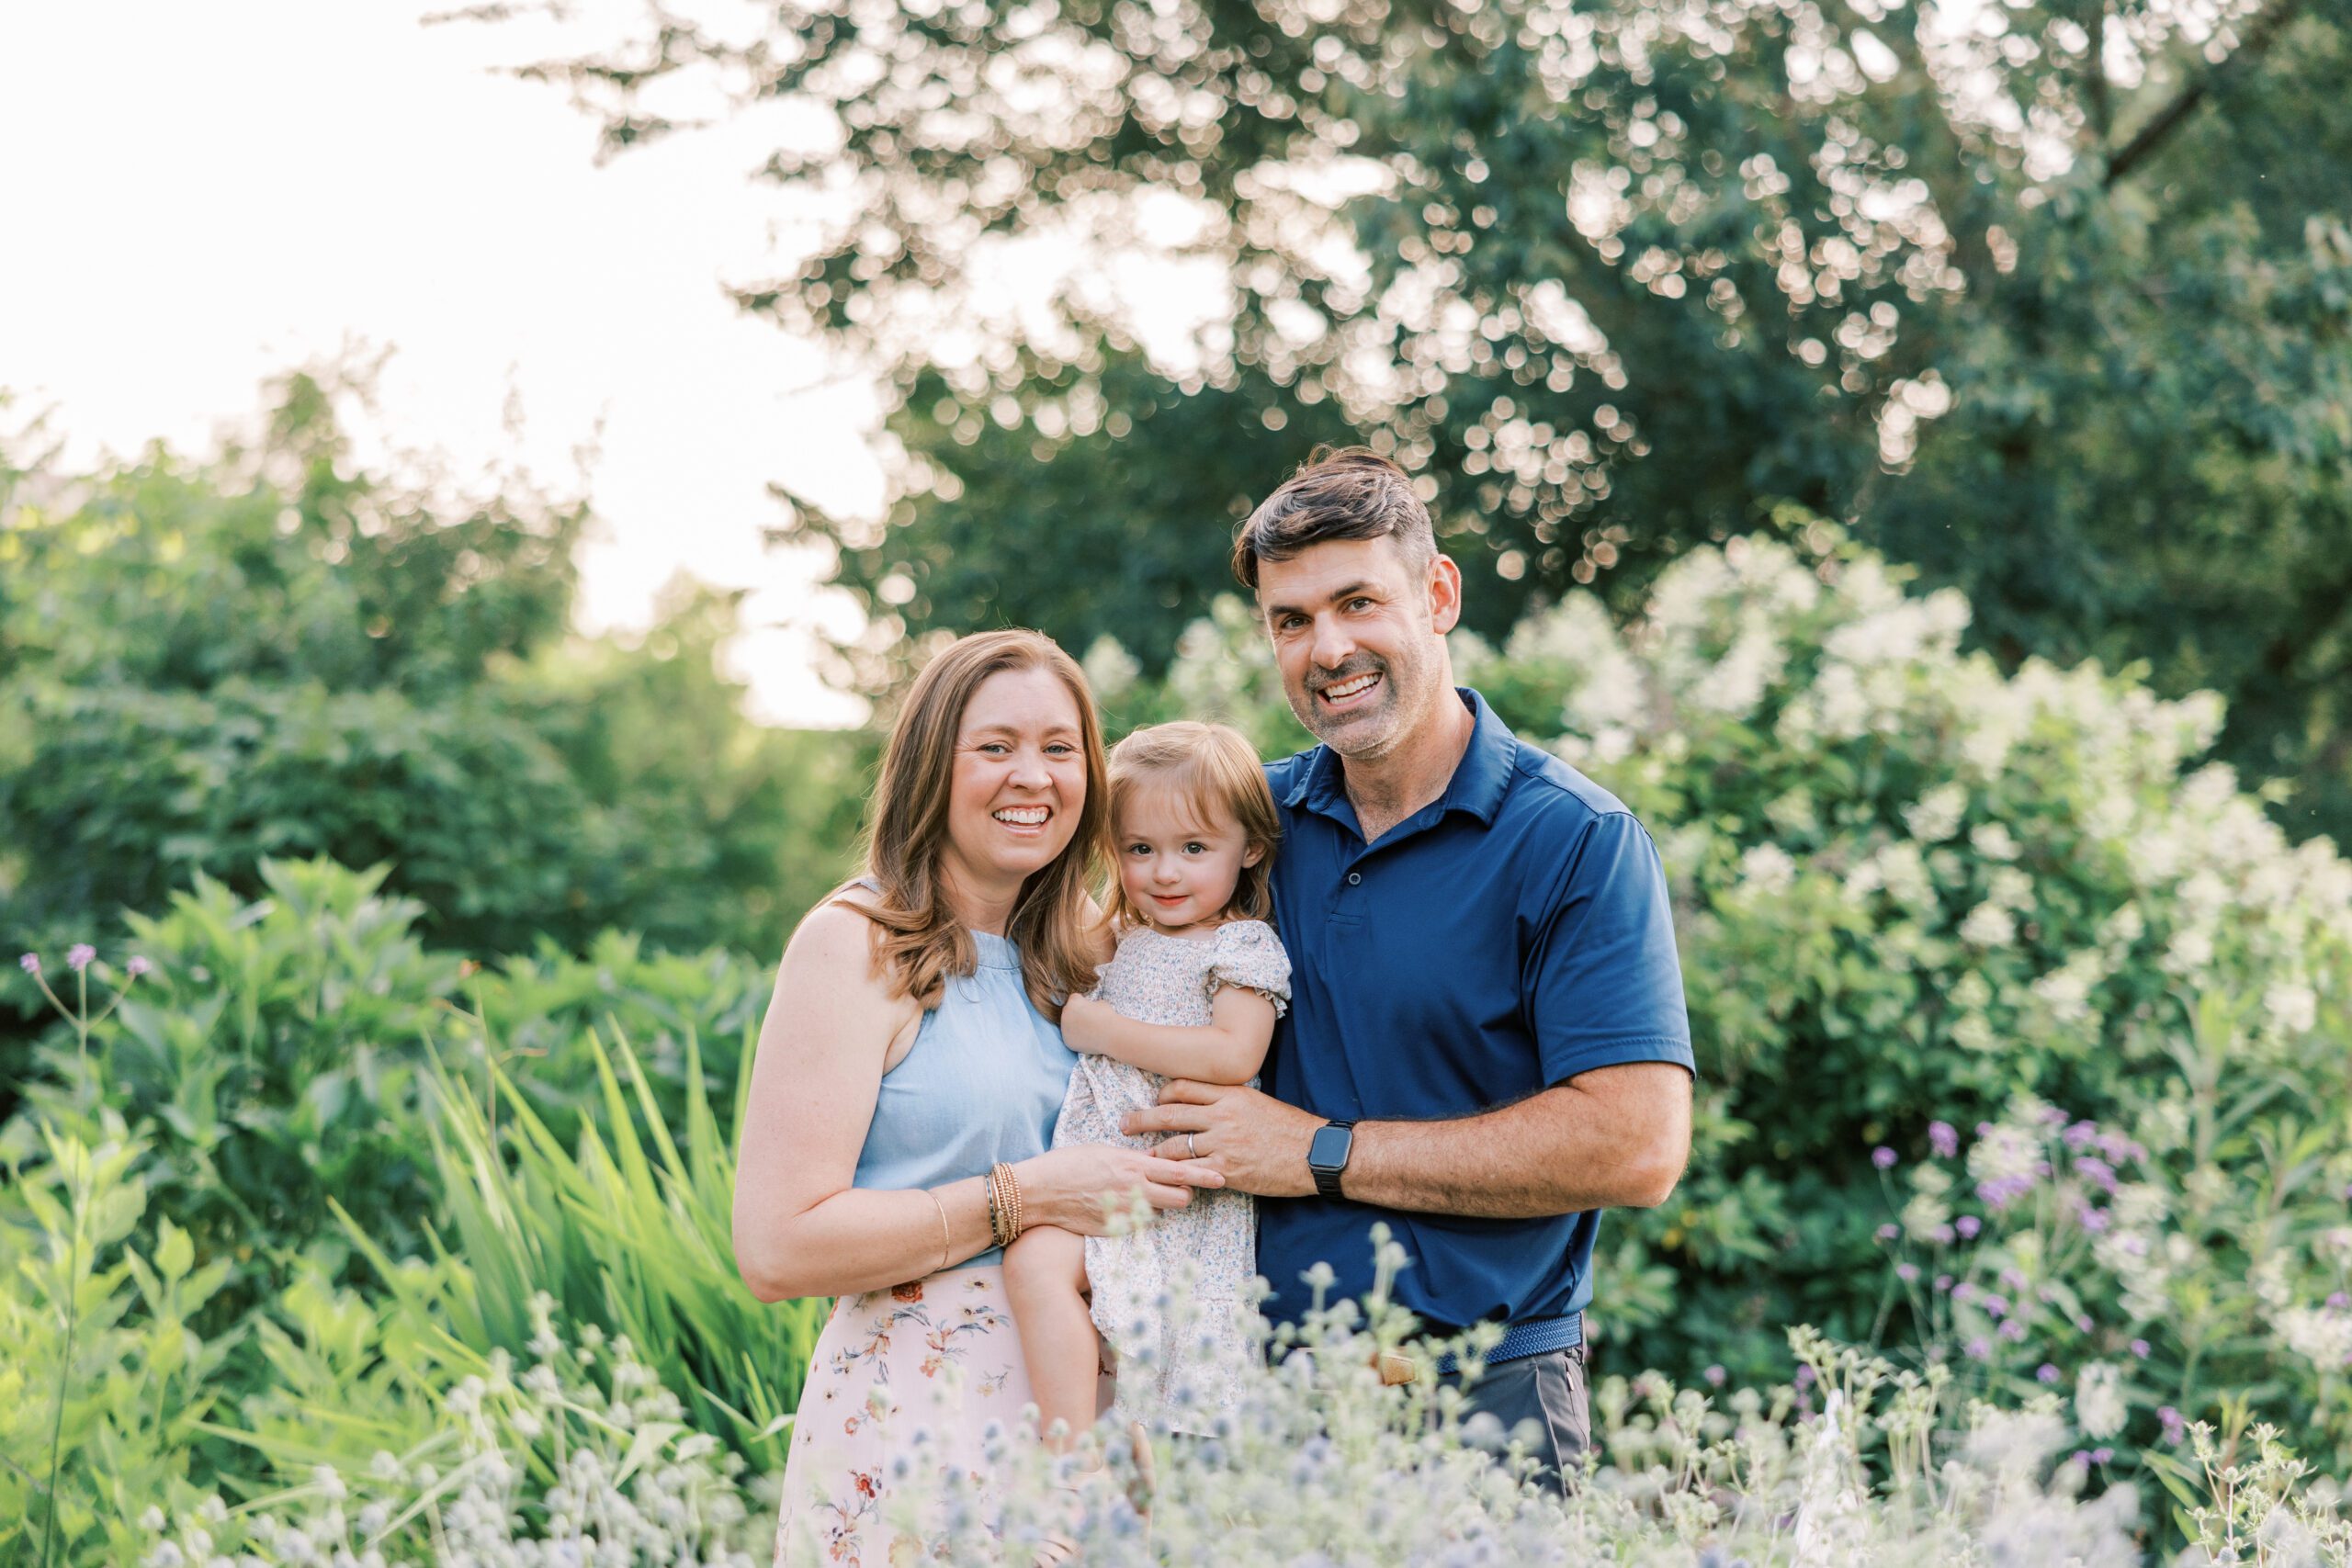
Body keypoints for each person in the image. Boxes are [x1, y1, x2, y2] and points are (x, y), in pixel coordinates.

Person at [1122, 448, 1697, 1491]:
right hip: (1247, 1407)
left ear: (1437, 595)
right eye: (1290, 621)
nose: (1326, 648)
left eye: (1356, 602)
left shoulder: (1574, 841)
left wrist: (1323, 1152)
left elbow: (1638, 1144)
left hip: (1483, 1402)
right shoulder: (1245, 832)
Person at [734, 629, 1227, 1566]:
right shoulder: (857, 947)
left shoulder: (1101, 953)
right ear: (931, 768)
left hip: (1096, 1438)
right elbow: (775, 1249)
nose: (1030, 777)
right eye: (994, 747)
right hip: (919, 1424)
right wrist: (1026, 1195)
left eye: (1058, 749)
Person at [1007, 721, 1293, 1457]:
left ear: (1250, 847)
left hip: (1177, 1181)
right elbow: (1043, 943)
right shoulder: (1121, 933)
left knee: (1161, 1351)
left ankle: (1146, 1494)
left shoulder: (1241, 945)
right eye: (1140, 849)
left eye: (1194, 848)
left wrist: (1099, 1029)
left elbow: (1234, 1053)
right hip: (1095, 1166)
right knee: (1035, 1264)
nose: (1166, 872)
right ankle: (1070, 1459)